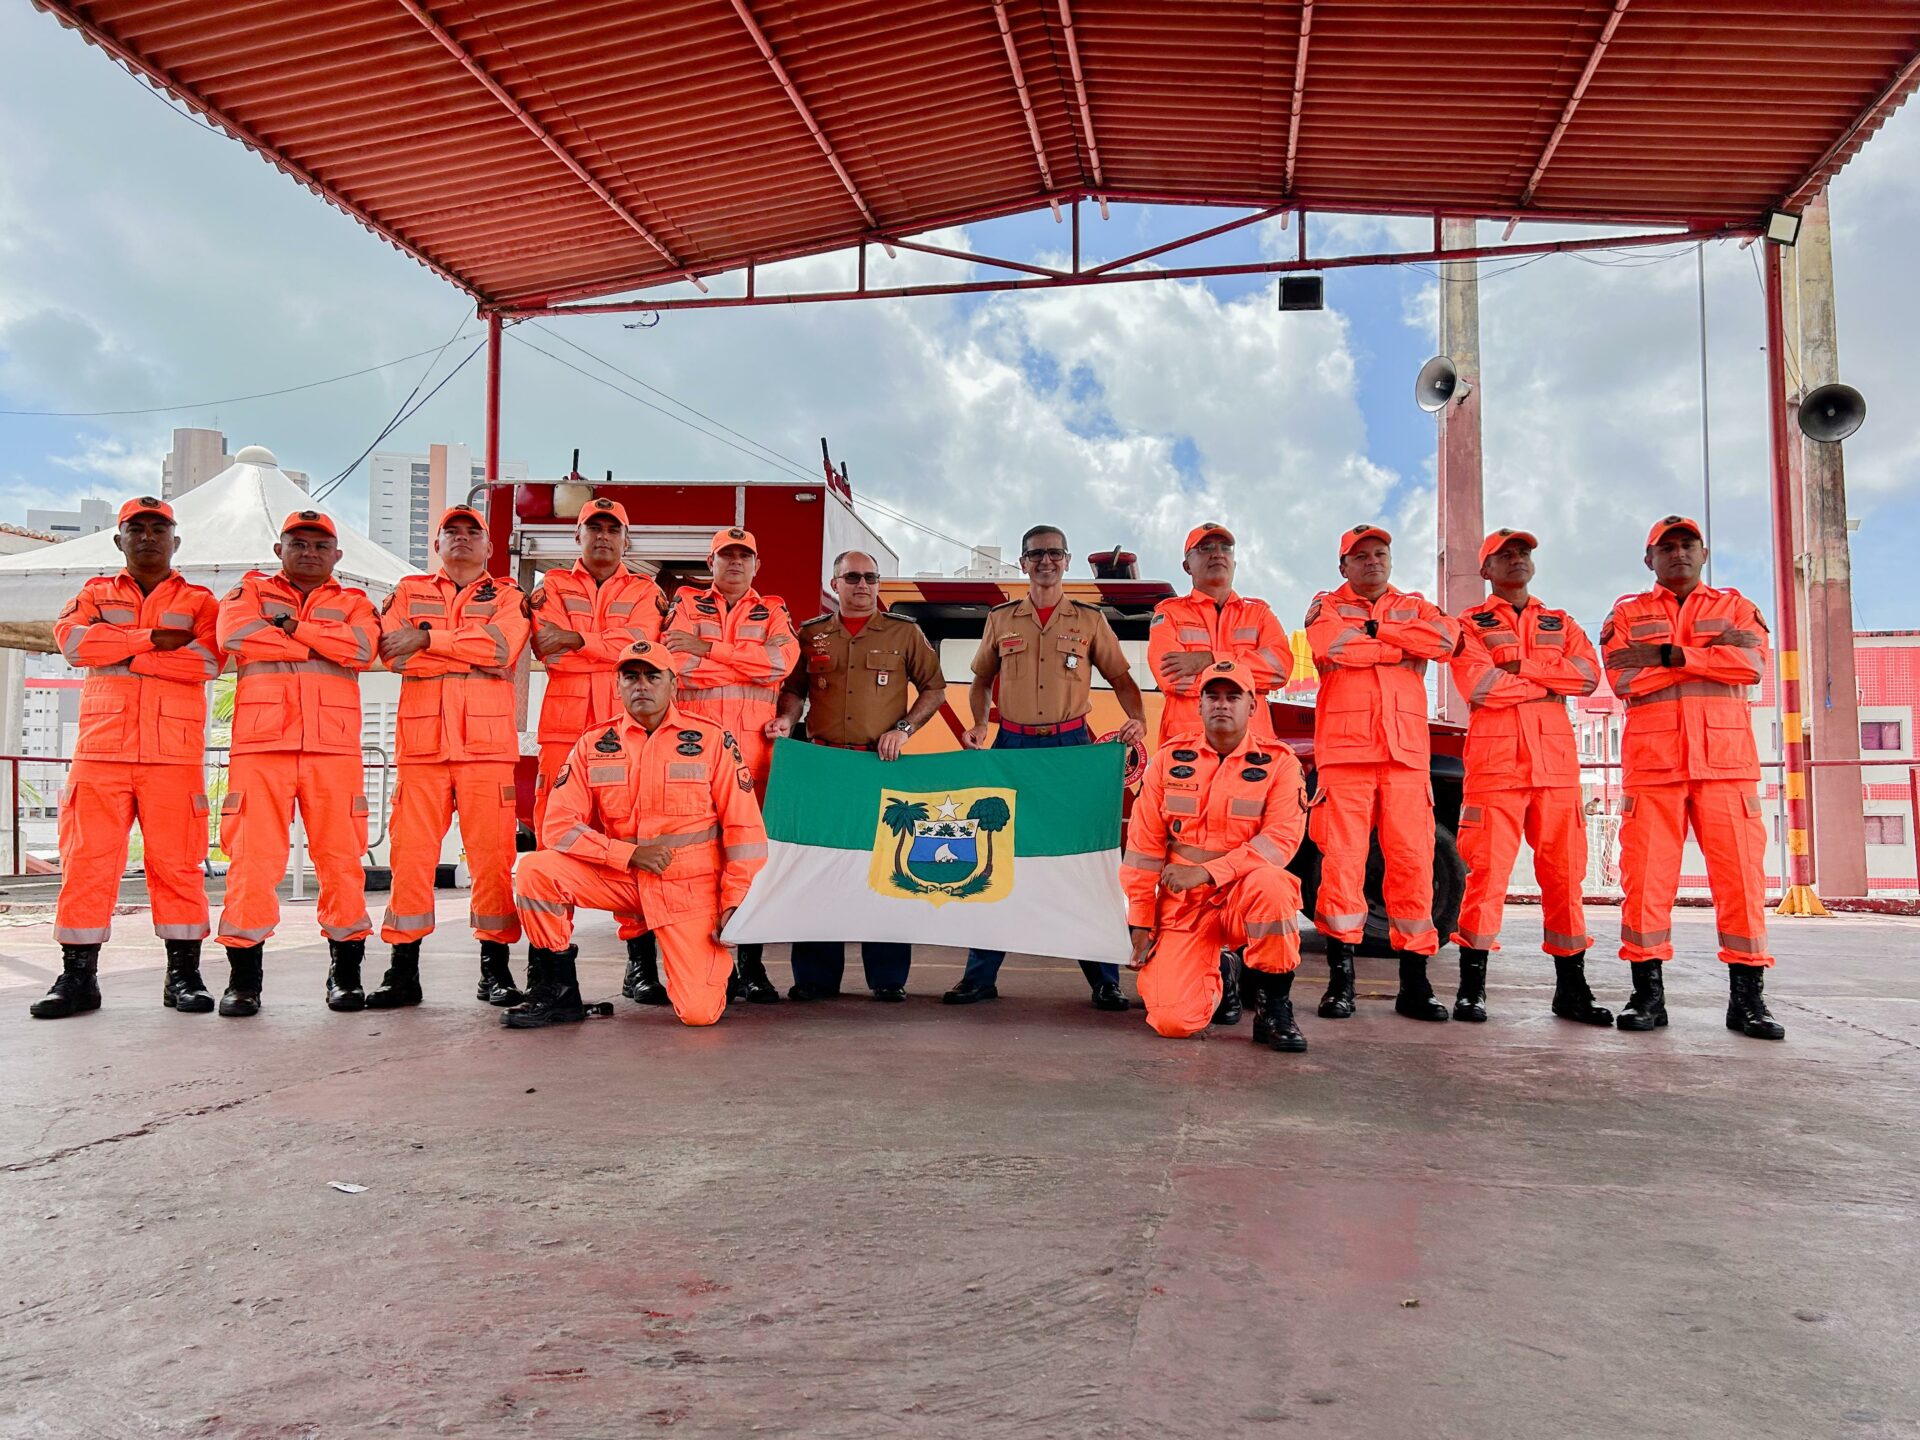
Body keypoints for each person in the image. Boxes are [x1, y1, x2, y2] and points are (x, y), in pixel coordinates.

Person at [506, 640, 768, 1028]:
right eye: (630, 677)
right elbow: (558, 826)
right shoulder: (594, 743)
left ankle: (709, 971)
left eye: (651, 676)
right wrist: (624, 855)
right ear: (618, 687)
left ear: (673, 684)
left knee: (699, 1014)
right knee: (537, 871)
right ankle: (558, 991)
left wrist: (735, 901)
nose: (641, 685)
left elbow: (744, 830)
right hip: (624, 878)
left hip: (690, 890)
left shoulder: (711, 740)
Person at [33, 496, 221, 1019]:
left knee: (178, 867)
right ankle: (77, 979)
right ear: (119, 540)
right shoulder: (92, 592)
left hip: (173, 756)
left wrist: (121, 646)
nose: (147, 537)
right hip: (102, 752)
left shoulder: (201, 600)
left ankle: (183, 976)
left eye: (158, 529)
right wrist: (155, 642)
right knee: (87, 865)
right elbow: (74, 645)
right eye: (135, 528)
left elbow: (206, 661)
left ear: (175, 540)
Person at [947, 525, 1148, 1009]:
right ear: (1023, 562)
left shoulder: (1089, 620)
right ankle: (980, 976)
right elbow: (980, 681)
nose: (1046, 562)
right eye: (1036, 554)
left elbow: (1120, 677)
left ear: (1067, 559)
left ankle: (1103, 978)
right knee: (996, 860)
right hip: (1012, 749)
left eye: (1054, 553)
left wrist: (1138, 719)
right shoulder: (1001, 620)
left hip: (1071, 751)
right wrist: (978, 723)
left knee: (1083, 862)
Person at [1599, 515, 1783, 1040]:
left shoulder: (1735, 606)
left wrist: (1671, 655)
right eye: (1666, 547)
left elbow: (1750, 664)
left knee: (1742, 885)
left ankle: (1748, 1002)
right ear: (1649, 559)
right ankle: (1647, 996)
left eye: (1687, 545)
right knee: (1645, 884)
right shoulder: (1627, 612)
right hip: (1655, 768)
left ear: (1703, 553)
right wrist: (1709, 657)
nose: (1678, 553)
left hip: (1725, 767)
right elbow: (1622, 677)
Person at [213, 510, 380, 1016]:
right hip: (261, 749)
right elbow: (235, 637)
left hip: (333, 750)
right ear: (278, 548)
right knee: (252, 864)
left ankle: (345, 976)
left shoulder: (356, 602)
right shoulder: (248, 593)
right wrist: (319, 639)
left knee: (342, 863)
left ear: (337, 555)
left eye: (319, 544)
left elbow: (364, 649)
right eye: (298, 543)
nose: (309, 552)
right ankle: (245, 982)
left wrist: (290, 627)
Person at [1447, 529, 1612, 1026]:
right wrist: (1546, 677)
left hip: (1556, 768)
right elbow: (1479, 685)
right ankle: (1471, 990)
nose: (1516, 560)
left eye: (1523, 553)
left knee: (1565, 879)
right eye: (1504, 555)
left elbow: (1586, 678)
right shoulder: (1467, 624)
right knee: (1486, 879)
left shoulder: (1559, 621)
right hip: (1496, 769)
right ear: (1486, 571)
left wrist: (1518, 665)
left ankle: (1572, 991)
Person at [768, 550, 946, 1001]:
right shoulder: (811, 635)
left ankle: (887, 978)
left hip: (879, 768)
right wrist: (788, 720)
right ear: (836, 584)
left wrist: (904, 729)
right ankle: (815, 977)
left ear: (878, 583)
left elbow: (935, 687)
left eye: (870, 577)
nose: (862, 585)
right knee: (819, 868)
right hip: (825, 767)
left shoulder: (904, 633)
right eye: (852, 577)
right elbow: (793, 689)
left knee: (886, 869)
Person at [373, 505, 531, 1008]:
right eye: (451, 533)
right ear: (436, 545)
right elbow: (391, 652)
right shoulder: (406, 591)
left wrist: (428, 639)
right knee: (410, 860)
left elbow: (502, 648)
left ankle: (495, 971)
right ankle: (403, 972)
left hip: (487, 752)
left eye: (473, 533)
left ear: (489, 547)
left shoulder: (508, 595)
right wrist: (458, 647)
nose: (462, 540)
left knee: (492, 862)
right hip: (422, 751)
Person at [1302, 524, 1460, 1021]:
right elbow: (1334, 647)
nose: (1372, 561)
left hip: (1406, 758)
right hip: (1346, 758)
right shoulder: (1326, 607)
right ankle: (1340, 983)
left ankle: (1415, 984)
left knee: (1414, 866)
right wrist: (1401, 645)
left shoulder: (1416, 606)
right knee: (1341, 868)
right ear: (1343, 566)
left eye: (1380, 553)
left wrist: (1376, 631)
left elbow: (1445, 640)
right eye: (1361, 556)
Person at [1122, 662, 1309, 1050]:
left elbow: (1281, 841)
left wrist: (1209, 873)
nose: (1222, 704)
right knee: (1174, 1022)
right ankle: (1223, 970)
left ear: (1252, 707)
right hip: (1184, 904)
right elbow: (1143, 849)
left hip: (1246, 895)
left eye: (1233, 696)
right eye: (1213, 696)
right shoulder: (1169, 761)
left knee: (1274, 885)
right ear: (1200, 705)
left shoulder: (1281, 764)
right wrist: (1140, 921)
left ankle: (1273, 1008)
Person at [526, 497, 667, 1005]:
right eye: (594, 528)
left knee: (631, 837)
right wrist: (605, 644)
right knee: (553, 844)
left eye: (613, 529)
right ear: (577, 537)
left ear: (626, 539)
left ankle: (640, 966)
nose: (603, 536)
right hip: (564, 734)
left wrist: (580, 638)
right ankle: (549, 967)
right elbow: (547, 644)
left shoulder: (647, 591)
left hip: (623, 731)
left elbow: (642, 647)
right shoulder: (552, 588)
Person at [663, 527, 796, 1004]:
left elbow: (780, 664)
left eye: (744, 557)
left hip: (754, 760)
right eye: (726, 556)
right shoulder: (686, 605)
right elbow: (676, 665)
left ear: (756, 565)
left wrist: (708, 649)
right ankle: (711, 966)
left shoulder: (773, 610)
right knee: (699, 863)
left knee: (749, 863)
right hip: (696, 759)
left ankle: (752, 965)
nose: (735, 564)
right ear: (710, 562)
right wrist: (742, 662)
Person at [1146, 522, 1291, 747]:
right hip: (1189, 747)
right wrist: (1247, 679)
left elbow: (1279, 671)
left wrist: (1209, 660)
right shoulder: (1169, 613)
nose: (1217, 554)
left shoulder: (1259, 613)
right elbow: (1172, 678)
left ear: (1234, 562)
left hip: (1254, 748)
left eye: (1225, 548)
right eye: (1205, 548)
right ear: (1187, 566)